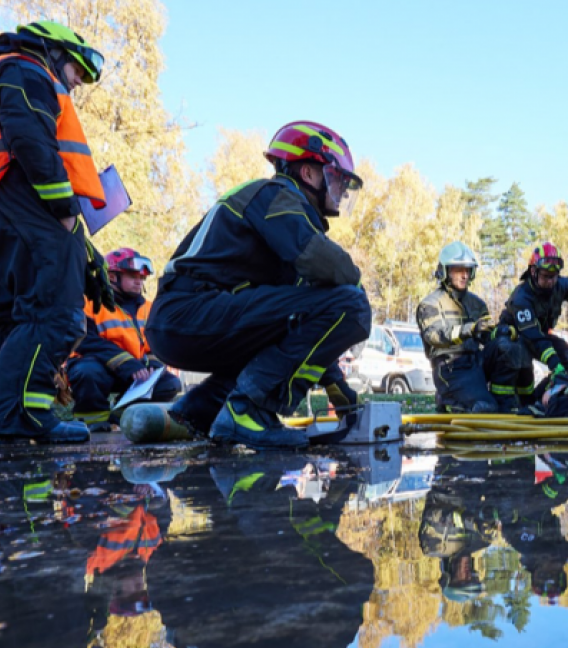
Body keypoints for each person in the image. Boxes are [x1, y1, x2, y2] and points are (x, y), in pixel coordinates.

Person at [146, 121, 370, 448]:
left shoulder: (278, 210)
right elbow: (326, 265)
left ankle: (198, 412)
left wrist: (336, 384)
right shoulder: (277, 197)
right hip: (192, 313)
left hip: (186, 317)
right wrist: (356, 296)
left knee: (293, 328)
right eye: (336, 180)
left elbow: (300, 324)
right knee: (352, 305)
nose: (340, 192)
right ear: (308, 173)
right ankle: (248, 412)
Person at [0, 21, 115, 444]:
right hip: (22, 199)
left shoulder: (0, 72)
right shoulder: (27, 70)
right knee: (57, 314)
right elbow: (30, 140)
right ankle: (24, 413)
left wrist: (82, 246)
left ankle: (5, 416)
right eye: (75, 74)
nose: (76, 84)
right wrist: (65, 211)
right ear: (55, 53)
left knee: (12, 319)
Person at [68, 247, 182, 430]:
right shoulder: (89, 302)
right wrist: (124, 362)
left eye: (142, 277)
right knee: (88, 372)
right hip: (95, 366)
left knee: (170, 383)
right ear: (112, 277)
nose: (139, 281)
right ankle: (91, 423)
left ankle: (120, 415)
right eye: (133, 276)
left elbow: (152, 347)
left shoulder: (149, 308)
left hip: (134, 370)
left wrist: (153, 366)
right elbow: (85, 340)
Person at [417, 241, 528, 413]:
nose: (464, 275)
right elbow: (434, 336)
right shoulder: (430, 304)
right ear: (445, 271)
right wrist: (469, 329)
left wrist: (501, 332)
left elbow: (485, 336)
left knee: (508, 347)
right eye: (459, 270)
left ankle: (505, 404)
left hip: (476, 362)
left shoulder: (477, 304)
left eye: (468, 270)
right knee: (484, 409)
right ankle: (448, 399)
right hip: (450, 368)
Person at [498, 242, 568, 401]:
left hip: (540, 335)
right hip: (515, 338)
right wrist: (554, 363)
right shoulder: (521, 297)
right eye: (546, 276)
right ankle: (517, 403)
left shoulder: (560, 284)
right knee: (524, 372)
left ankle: (539, 400)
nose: (551, 281)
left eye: (554, 276)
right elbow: (532, 336)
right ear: (533, 271)